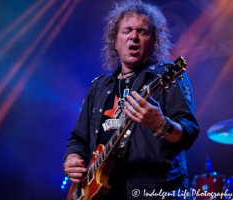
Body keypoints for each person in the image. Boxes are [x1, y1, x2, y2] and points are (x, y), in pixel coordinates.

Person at [63, 0, 200, 199]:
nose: (134, 37)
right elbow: (78, 139)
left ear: (154, 42)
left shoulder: (168, 76)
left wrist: (162, 124)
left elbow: (189, 133)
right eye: (127, 31)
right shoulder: (98, 87)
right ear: (115, 41)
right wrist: (72, 158)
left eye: (143, 32)